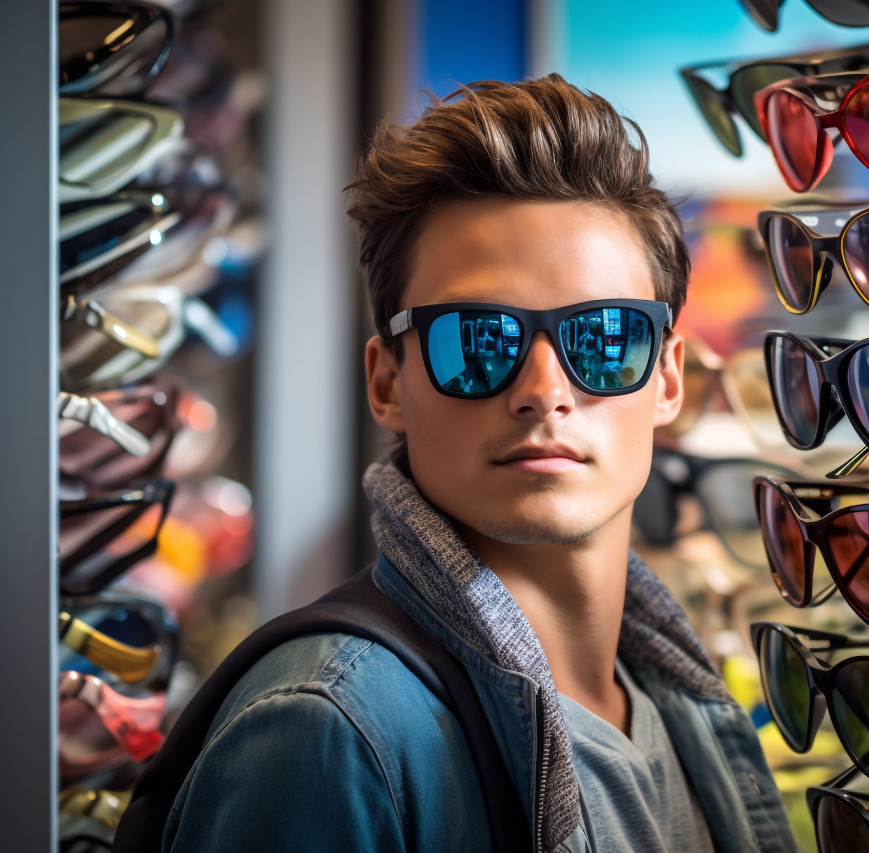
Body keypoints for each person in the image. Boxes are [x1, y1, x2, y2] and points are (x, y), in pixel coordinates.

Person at [149, 75, 796, 852]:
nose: (544, 391)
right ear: (387, 382)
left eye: (603, 338)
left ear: (666, 378)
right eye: (477, 339)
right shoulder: (327, 730)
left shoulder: (672, 706)